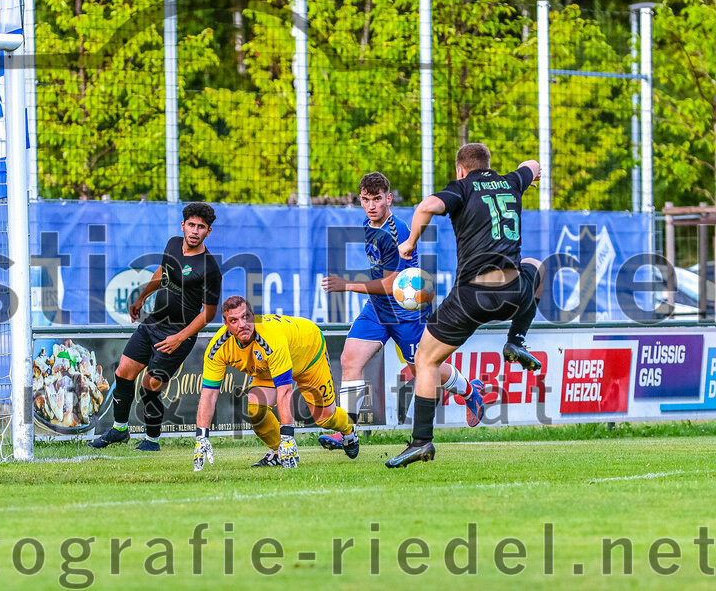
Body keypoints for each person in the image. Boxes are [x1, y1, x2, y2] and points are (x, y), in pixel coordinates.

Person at [386, 143, 544, 468]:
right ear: (488, 165)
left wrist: (410, 241)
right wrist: (533, 173)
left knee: (425, 359)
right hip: (514, 293)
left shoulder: (462, 187)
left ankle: (421, 442)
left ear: (460, 169)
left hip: (474, 295)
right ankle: (516, 339)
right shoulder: (512, 181)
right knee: (536, 266)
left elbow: (426, 205)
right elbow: (532, 163)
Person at [318, 173, 486, 454]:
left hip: (407, 313)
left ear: (389, 198)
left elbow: (391, 284)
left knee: (423, 370)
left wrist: (347, 285)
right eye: (366, 199)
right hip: (377, 309)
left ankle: (471, 391)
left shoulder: (395, 233)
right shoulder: (370, 222)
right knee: (349, 359)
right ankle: (347, 432)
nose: (371, 205)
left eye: (377, 199)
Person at [88, 202, 222, 452]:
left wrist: (179, 338)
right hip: (152, 323)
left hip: (176, 335)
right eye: (191, 225)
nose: (194, 231)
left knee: (150, 385)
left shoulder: (210, 268)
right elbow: (163, 271)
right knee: (123, 373)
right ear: (183, 226)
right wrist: (142, 297)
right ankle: (119, 429)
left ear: (208, 232)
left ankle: (152, 440)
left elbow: (209, 314)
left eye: (201, 227)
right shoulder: (172, 243)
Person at [192, 296, 358, 471]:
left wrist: (288, 436)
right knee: (255, 409)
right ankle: (279, 452)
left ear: (252, 315)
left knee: (325, 418)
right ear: (226, 324)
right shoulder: (218, 348)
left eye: (245, 317)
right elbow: (209, 394)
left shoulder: (270, 337)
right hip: (269, 367)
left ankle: (349, 431)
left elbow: (285, 391)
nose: (242, 324)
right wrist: (201, 437)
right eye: (234, 320)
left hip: (308, 353)